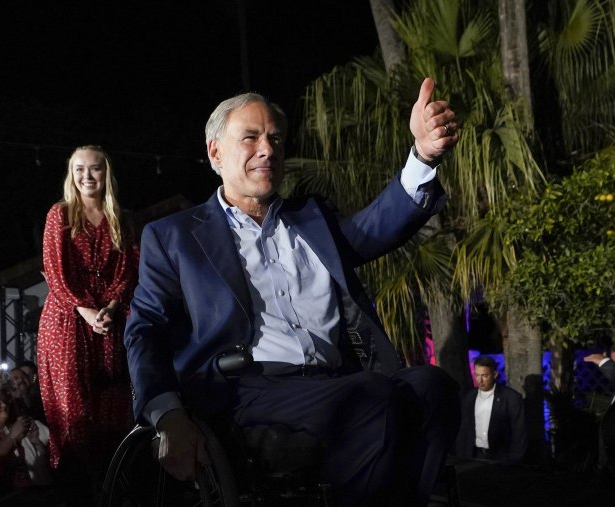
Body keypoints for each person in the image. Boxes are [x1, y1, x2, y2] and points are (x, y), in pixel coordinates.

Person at [124, 79, 461, 507]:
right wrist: (166, 413)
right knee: (373, 398)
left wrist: (423, 156)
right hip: (247, 390)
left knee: (432, 386)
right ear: (215, 153)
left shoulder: (312, 218)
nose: (268, 149)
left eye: (275, 138)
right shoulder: (173, 236)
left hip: (336, 380)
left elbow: (372, 229)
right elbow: (145, 330)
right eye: (250, 137)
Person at [37, 145, 138, 499]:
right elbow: (55, 271)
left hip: (108, 321)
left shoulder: (121, 219)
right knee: (73, 409)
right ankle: (74, 488)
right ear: (71, 173)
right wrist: (85, 310)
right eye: (79, 169)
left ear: (106, 174)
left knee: (111, 403)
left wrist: (110, 308)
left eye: (94, 169)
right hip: (67, 320)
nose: (87, 176)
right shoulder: (60, 214)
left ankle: (111, 487)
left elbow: (127, 272)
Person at [454, 355, 528, 465]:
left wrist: (513, 459)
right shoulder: (468, 397)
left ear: (495, 374)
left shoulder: (511, 398)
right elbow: (463, 428)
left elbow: (519, 431)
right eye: (477, 375)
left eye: (484, 375)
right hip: (472, 456)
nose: (480, 380)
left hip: (500, 458)